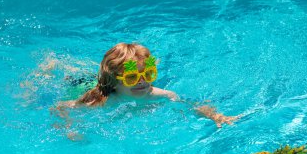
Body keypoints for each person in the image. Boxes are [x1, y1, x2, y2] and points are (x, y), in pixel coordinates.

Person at [57, 43, 241, 128]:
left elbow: (190, 106)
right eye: (132, 78)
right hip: (84, 85)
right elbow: (60, 107)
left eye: (148, 74)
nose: (142, 82)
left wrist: (215, 116)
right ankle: (54, 65)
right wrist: (69, 128)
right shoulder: (102, 100)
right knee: (73, 76)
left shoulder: (163, 95)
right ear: (114, 80)